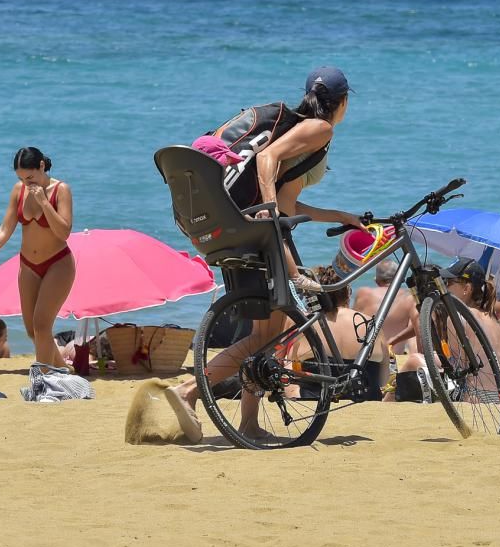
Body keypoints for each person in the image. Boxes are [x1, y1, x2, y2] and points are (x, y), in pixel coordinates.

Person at [167, 67, 364, 442]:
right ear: (343, 102)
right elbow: (266, 161)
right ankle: (190, 391)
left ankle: (248, 423)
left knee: (267, 335)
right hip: (262, 232)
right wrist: (272, 213)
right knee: (266, 336)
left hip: (242, 226)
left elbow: (288, 198)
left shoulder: (299, 126)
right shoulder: (320, 128)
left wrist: (338, 216)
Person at [0, 147, 74, 370]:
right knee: (31, 329)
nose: (27, 183)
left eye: (30, 177)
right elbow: (4, 230)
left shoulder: (61, 190)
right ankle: (62, 371)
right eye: (21, 178)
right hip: (28, 265)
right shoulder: (19, 191)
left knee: (42, 324)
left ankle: (44, 379)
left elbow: (64, 232)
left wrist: (44, 203)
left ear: (42, 167)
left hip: (58, 263)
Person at [389, 258, 500, 402]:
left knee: (414, 360)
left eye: (449, 283)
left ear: (466, 289)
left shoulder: (458, 318)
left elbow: (455, 369)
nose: (444, 288)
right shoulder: (492, 318)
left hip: (477, 397)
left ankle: (385, 403)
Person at [291, 266, 388, 400]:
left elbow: (295, 374)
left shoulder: (307, 325)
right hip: (365, 399)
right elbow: (383, 380)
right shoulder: (371, 324)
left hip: (316, 400)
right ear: (347, 293)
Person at [352, 257, 417, 353]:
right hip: (392, 357)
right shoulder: (410, 298)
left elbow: (352, 324)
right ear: (401, 279)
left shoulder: (363, 294)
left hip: (364, 356)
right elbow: (416, 330)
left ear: (377, 281)